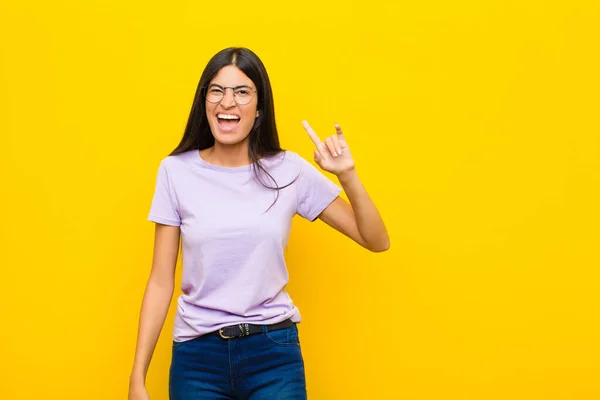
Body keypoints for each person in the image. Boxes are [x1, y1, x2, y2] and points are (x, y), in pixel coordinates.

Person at [128, 47, 389, 400]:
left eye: (242, 92)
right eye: (217, 91)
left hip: (273, 356)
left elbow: (375, 239)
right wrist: (137, 378)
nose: (227, 102)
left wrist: (348, 176)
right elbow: (160, 281)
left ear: (259, 107)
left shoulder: (289, 170)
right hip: (197, 358)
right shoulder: (176, 172)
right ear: (204, 102)